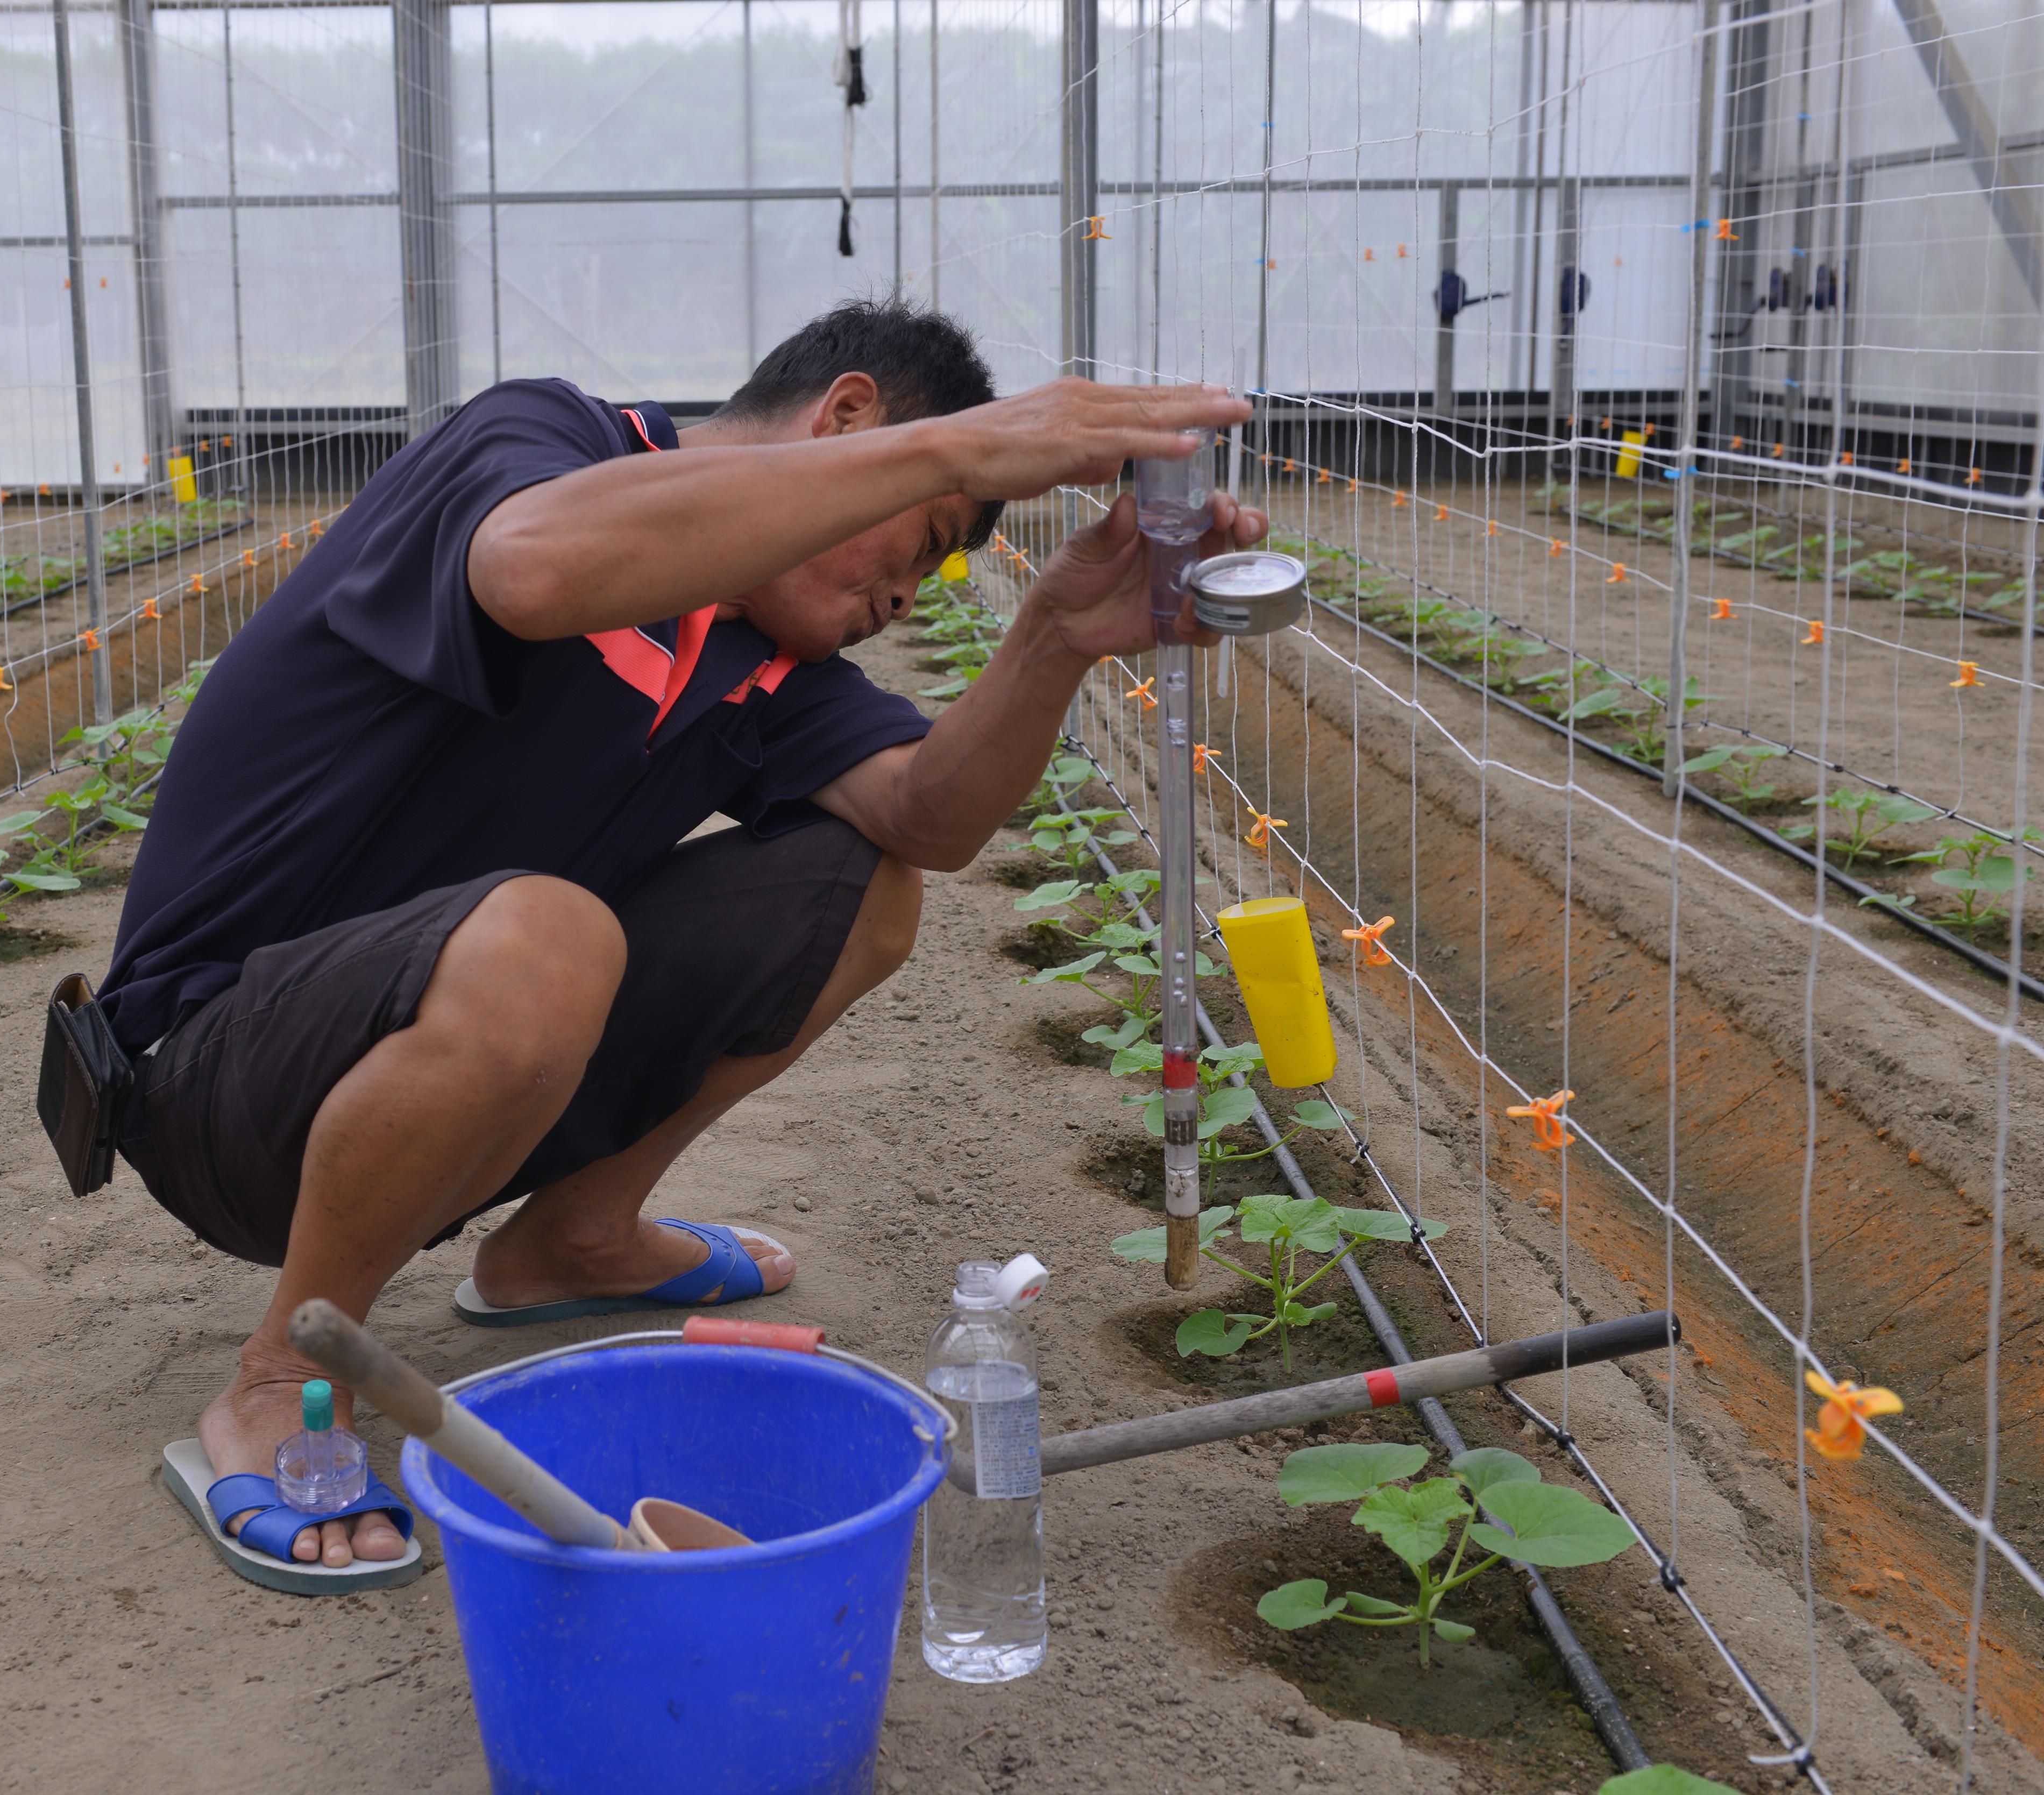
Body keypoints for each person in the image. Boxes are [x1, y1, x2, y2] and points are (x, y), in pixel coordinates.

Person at [97, 300, 1259, 1583]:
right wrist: (963, 452)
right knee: (549, 931)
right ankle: (280, 1383)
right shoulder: (545, 443)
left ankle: (569, 1245)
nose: (902, 596)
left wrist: (1054, 634)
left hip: (445, 1075)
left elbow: (929, 817)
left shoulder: (763, 658)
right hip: (213, 1074)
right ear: (848, 418)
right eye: (919, 545)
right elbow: (532, 573)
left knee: (861, 881)